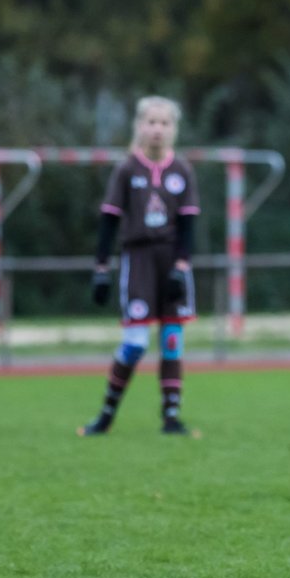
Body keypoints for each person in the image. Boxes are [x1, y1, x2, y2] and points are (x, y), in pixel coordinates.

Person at [78, 96, 201, 437]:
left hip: (171, 261)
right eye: (151, 122)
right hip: (139, 260)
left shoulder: (182, 170)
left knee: (173, 340)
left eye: (164, 123)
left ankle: (171, 417)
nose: (157, 129)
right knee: (135, 343)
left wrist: (181, 265)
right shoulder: (127, 169)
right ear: (140, 126)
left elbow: (189, 224)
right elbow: (109, 221)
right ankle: (105, 415)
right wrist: (101, 268)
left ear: (173, 129)